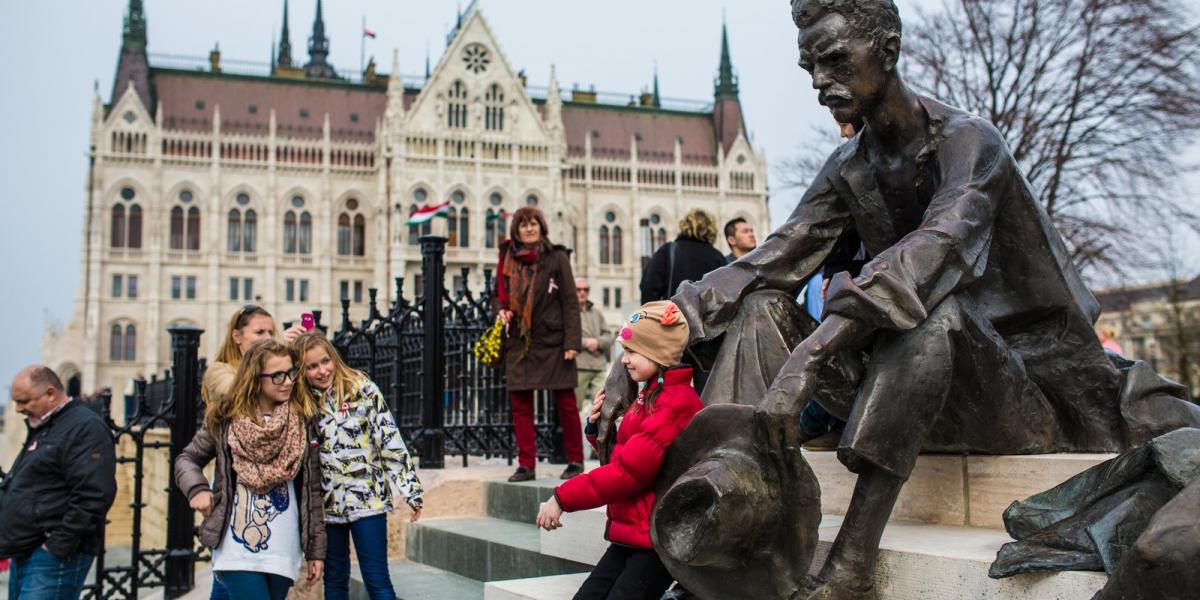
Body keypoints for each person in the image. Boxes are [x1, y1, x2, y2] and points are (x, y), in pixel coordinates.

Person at [598, 1, 1200, 597]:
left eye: (833, 61)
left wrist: (811, 355)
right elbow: (768, 261)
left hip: (1022, 391)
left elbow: (931, 256)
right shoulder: (848, 166)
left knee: (934, 310)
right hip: (910, 389)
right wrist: (644, 335)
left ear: (887, 48)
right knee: (762, 307)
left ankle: (853, 559)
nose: (820, 85)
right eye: (810, 69)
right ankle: (735, 511)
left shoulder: (970, 143)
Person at [537, 301, 703, 600]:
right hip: (634, 534)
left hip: (656, 541)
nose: (624, 360)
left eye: (632, 351)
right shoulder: (651, 395)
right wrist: (597, 428)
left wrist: (563, 497)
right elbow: (627, 455)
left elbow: (628, 472)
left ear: (658, 352)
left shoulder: (675, 403)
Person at [175, 340, 325, 600]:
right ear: (255, 378)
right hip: (236, 549)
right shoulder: (226, 418)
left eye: (291, 373)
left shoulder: (303, 420)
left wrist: (315, 551)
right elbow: (186, 460)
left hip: (282, 548)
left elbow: (311, 494)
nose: (288, 381)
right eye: (278, 375)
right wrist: (197, 489)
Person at [292, 332, 423, 600]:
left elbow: (389, 439)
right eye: (312, 366)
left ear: (334, 358)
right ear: (302, 371)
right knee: (335, 581)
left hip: (368, 501)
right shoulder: (303, 403)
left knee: (377, 581)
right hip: (328, 506)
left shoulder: (361, 388)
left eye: (325, 361)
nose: (321, 370)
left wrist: (411, 490)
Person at [201, 305, 304, 600]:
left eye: (270, 332)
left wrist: (284, 360)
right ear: (237, 336)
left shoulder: (278, 375)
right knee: (230, 575)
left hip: (274, 515)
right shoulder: (220, 371)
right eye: (260, 332)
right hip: (235, 495)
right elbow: (240, 393)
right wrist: (276, 356)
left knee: (223, 588)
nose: (267, 337)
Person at [0, 366, 117, 600]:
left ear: (51, 393)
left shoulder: (84, 427)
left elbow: (94, 494)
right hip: (28, 549)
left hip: (53, 555)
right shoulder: (46, 424)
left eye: (24, 401)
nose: (18, 409)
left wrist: (58, 545)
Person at [495, 206, 586, 482]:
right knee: (521, 405)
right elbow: (496, 293)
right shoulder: (506, 256)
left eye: (534, 223)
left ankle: (575, 461)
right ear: (516, 230)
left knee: (566, 403)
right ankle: (526, 464)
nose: (529, 228)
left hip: (553, 340)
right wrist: (500, 310)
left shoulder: (556, 257)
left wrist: (572, 341)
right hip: (519, 340)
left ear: (542, 226)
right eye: (524, 225)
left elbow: (570, 300)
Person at [641, 209, 727, 303]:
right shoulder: (718, 258)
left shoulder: (668, 251)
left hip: (673, 315)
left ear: (684, 226)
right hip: (706, 317)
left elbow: (649, 287)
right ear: (711, 229)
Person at [574, 278, 613, 424]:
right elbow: (562, 335)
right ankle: (573, 445)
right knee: (573, 411)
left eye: (585, 289)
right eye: (578, 289)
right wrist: (586, 343)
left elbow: (609, 336)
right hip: (578, 368)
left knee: (604, 409)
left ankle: (597, 445)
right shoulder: (568, 311)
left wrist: (597, 342)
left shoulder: (597, 313)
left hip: (598, 367)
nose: (582, 293)